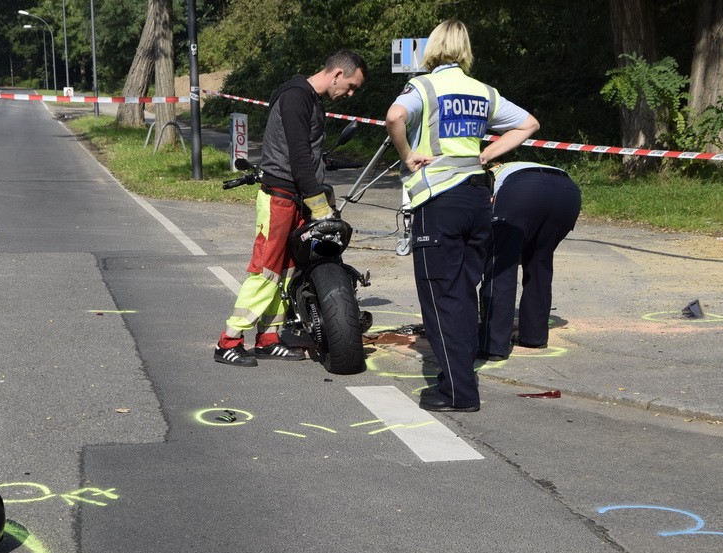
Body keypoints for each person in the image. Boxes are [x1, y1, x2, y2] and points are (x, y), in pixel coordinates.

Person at [384, 19, 538, 411]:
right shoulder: (483, 92)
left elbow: (394, 117)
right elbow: (529, 124)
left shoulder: (424, 86)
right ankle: (459, 375)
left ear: (432, 48)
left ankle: (457, 391)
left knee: (440, 296)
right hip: (476, 199)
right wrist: (487, 154)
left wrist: (406, 156)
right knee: (463, 295)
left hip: (439, 201)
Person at [215, 50, 368, 367]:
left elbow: (301, 150)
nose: (350, 93)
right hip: (281, 197)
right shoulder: (298, 96)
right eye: (351, 86)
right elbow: (297, 156)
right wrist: (319, 205)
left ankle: (267, 339)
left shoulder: (309, 97)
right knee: (265, 271)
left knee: (284, 273)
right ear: (337, 73)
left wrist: (321, 165)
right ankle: (228, 342)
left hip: (295, 197)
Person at [477, 162, 581, 360]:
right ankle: (534, 336)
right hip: (568, 192)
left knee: (500, 265)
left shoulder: (484, 175)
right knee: (539, 263)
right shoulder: (511, 167)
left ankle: (493, 345)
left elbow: (480, 211)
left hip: (524, 190)